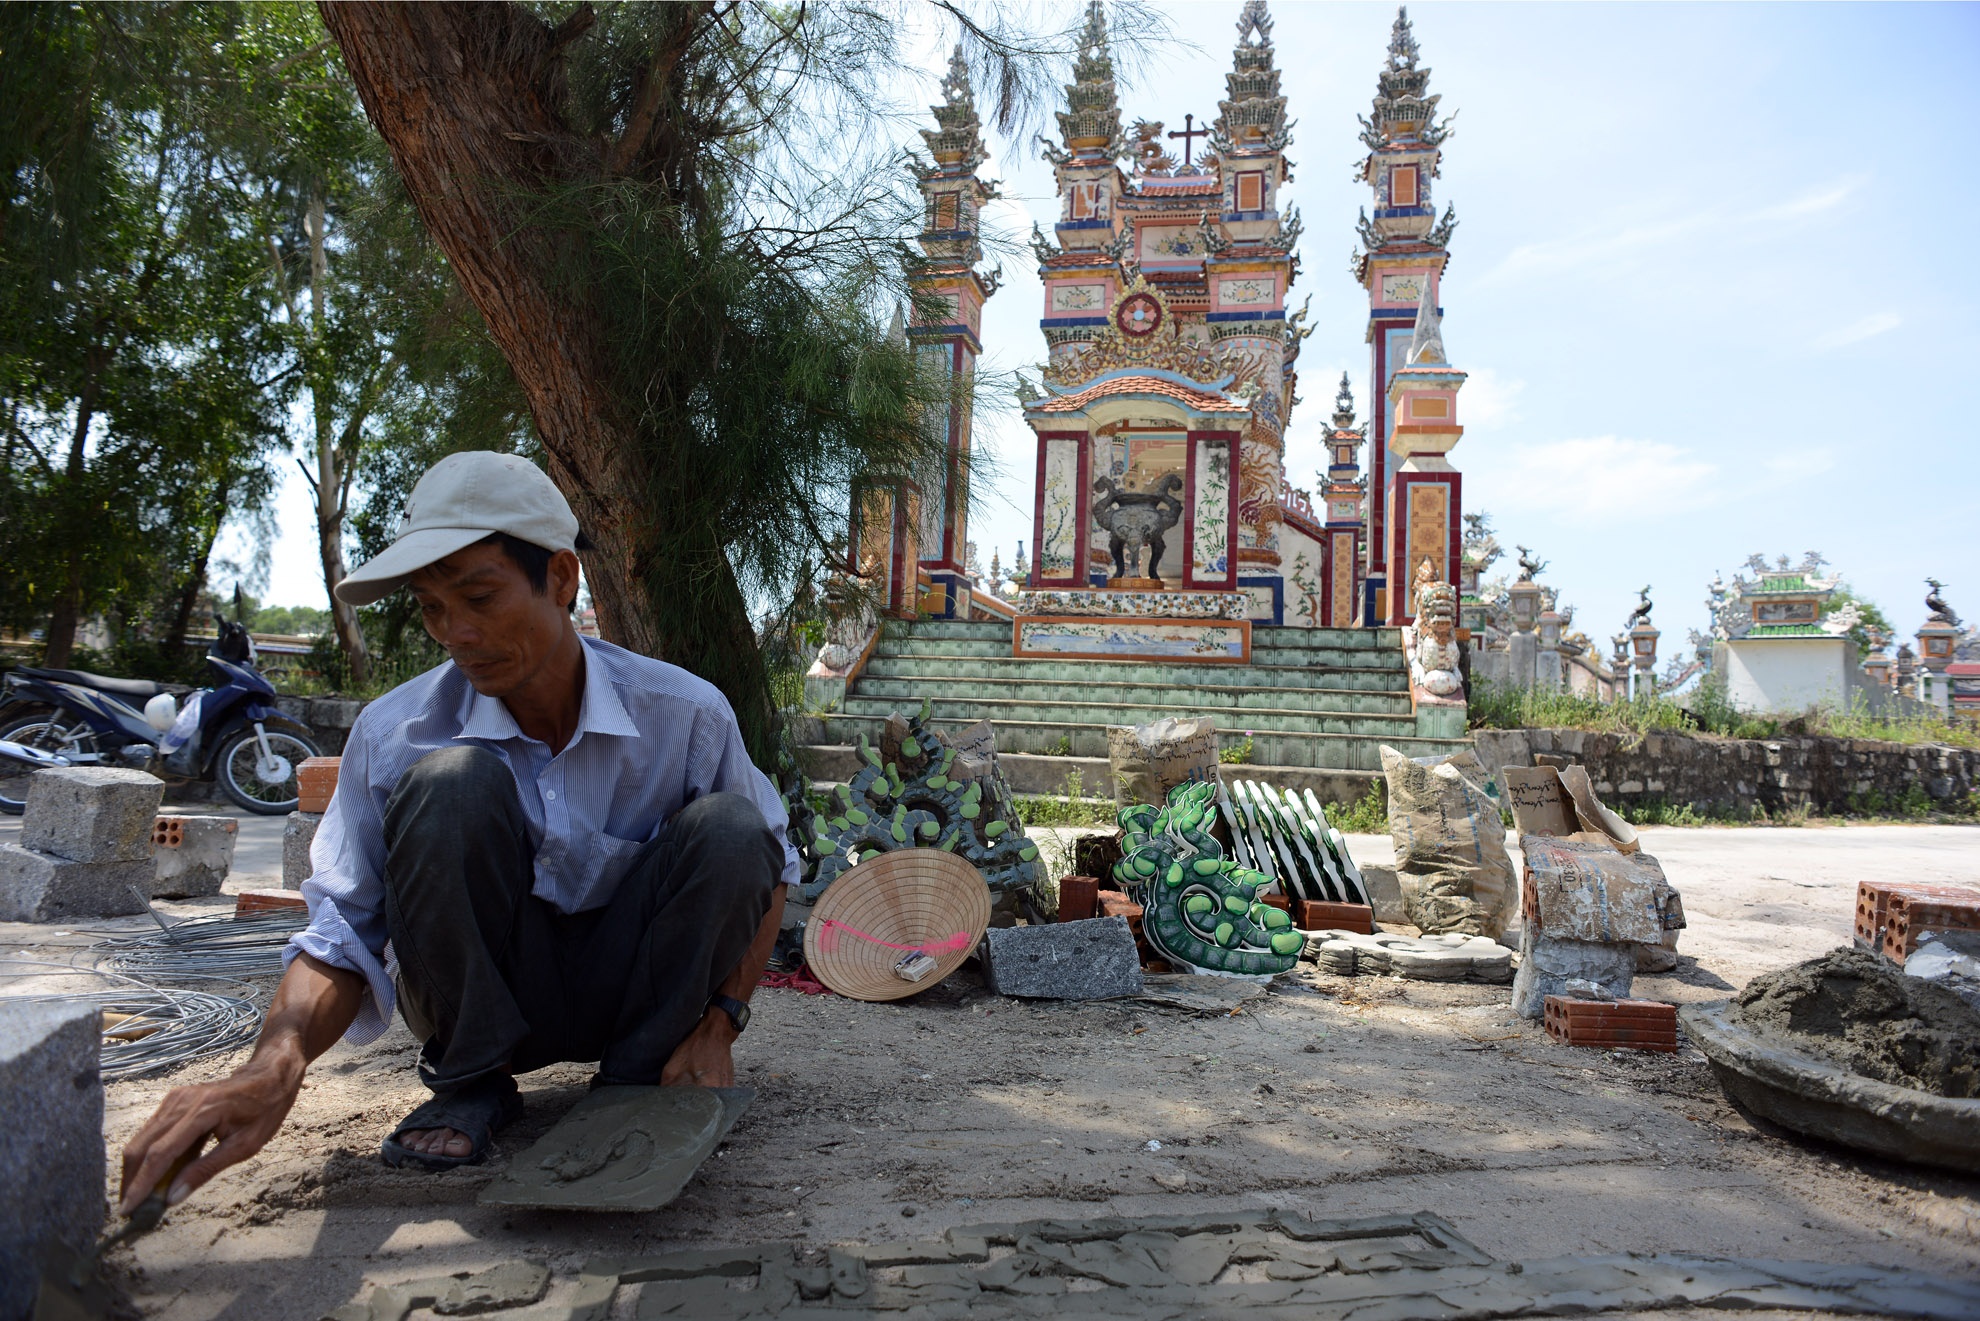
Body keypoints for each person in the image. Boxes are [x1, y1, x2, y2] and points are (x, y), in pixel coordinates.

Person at [119, 451, 797, 1210]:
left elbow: (769, 868)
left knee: (735, 827)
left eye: (479, 596)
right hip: (487, 994)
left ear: (562, 580)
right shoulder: (398, 729)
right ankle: (472, 1081)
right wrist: (273, 1061)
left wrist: (720, 1023)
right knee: (452, 781)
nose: (456, 632)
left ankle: (634, 1080)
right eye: (433, 608)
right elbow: (342, 931)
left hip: (628, 992)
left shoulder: (684, 713)